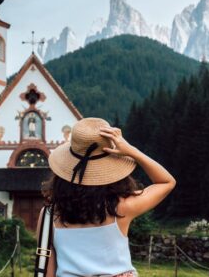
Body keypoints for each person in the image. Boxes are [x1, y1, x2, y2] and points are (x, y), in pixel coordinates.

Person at [37, 117, 176, 277]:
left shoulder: (49, 215)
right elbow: (167, 182)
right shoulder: (122, 207)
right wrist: (131, 151)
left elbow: (47, 272)